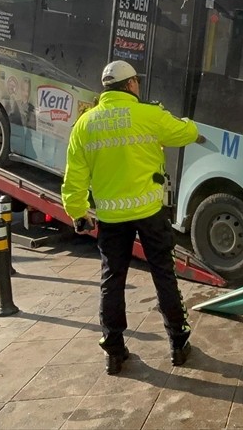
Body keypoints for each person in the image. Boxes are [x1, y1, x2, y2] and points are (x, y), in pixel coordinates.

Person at [62, 60, 204, 375]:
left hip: (112, 217)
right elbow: (186, 133)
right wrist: (187, 123)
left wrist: (77, 211)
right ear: (130, 85)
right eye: (136, 81)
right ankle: (178, 343)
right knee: (163, 275)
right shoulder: (149, 115)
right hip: (150, 213)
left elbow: (74, 178)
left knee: (112, 280)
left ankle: (114, 350)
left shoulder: (85, 124)